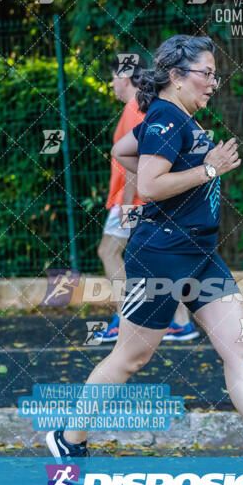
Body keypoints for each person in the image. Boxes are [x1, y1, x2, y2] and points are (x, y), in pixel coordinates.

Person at [47, 34, 243, 463]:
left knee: (239, 346)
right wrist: (209, 167)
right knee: (130, 358)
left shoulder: (171, 116)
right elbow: (154, 187)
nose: (214, 82)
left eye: (216, 74)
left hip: (201, 254)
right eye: (206, 74)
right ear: (177, 77)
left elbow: (121, 149)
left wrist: (195, 168)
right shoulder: (166, 119)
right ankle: (70, 437)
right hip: (161, 255)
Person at [96, 54, 198, 342]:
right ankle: (180, 323)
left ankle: (126, 319)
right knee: (158, 260)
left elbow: (138, 158)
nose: (112, 83)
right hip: (146, 198)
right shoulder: (144, 105)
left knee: (108, 251)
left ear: (124, 77)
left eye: (113, 77)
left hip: (133, 199)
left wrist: (128, 205)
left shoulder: (133, 108)